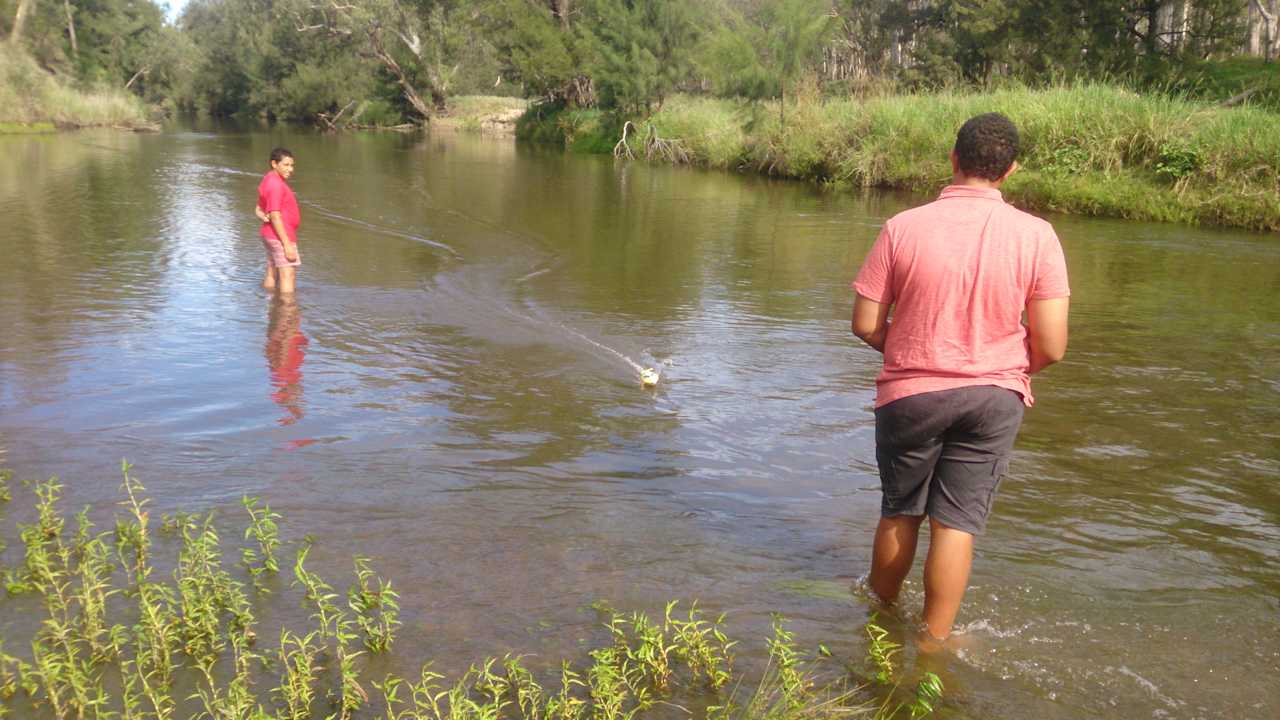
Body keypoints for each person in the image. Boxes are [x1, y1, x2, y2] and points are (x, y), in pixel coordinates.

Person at [850, 112, 1070, 642]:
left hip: (911, 392)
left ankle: (876, 627)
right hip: (994, 395)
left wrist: (908, 348)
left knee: (900, 512)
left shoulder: (902, 226)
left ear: (953, 159)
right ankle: (934, 644)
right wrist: (1006, 370)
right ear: (1010, 170)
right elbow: (1053, 346)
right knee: (956, 525)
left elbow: (864, 323)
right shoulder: (1037, 236)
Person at [255, 148, 301, 294]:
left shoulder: (268, 179)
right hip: (280, 236)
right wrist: (287, 244)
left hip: (269, 234)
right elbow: (275, 215)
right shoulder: (276, 185)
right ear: (274, 164)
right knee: (288, 276)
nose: (291, 169)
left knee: (272, 272)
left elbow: (258, 208)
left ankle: (270, 303)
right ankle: (287, 312)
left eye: (292, 165)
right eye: (286, 165)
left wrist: (262, 215)